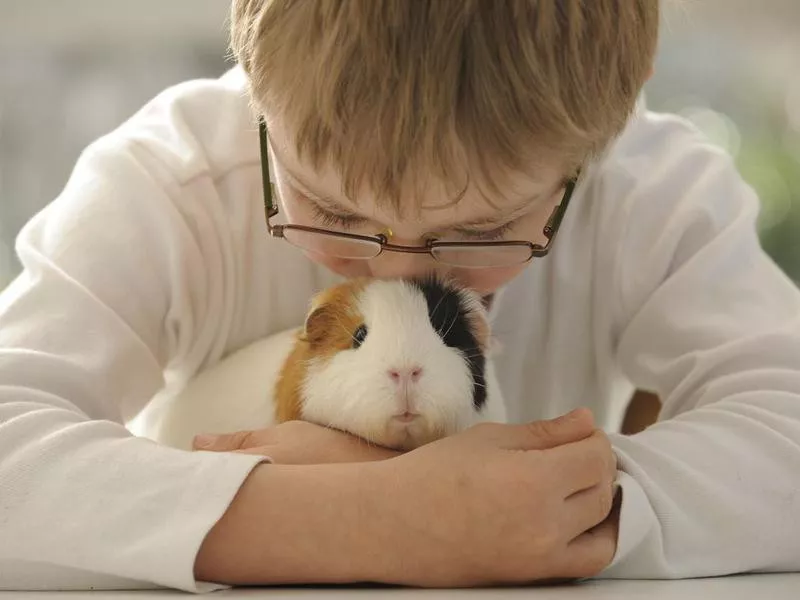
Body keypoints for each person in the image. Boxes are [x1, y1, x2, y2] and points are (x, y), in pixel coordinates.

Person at [2, 0, 799, 592]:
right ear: (257, 81)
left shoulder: (656, 191)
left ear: (614, 115)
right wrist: (369, 519)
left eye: (483, 229)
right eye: (335, 212)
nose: (397, 280)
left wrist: (534, 511)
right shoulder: (169, 183)